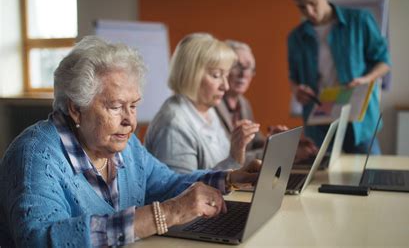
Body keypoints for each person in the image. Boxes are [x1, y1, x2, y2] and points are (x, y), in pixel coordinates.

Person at [0, 36, 260, 247]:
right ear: (76, 109)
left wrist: (228, 178)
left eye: (133, 106)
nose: (129, 122)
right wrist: (164, 215)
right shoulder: (35, 154)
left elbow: (166, 183)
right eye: (115, 107)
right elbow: (37, 239)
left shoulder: (126, 144)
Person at [284, 0, 391, 154]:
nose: (309, 12)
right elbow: (293, 77)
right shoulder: (295, 37)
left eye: (313, 3)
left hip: (358, 119)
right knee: (321, 178)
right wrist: (298, 90)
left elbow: (384, 62)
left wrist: (365, 80)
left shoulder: (360, 20)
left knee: (368, 177)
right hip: (319, 121)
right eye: (302, 7)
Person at [144, 33, 260, 173]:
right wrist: (234, 158)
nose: (225, 86)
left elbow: (221, 165)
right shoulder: (174, 124)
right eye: (216, 75)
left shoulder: (207, 110)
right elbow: (181, 190)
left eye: (226, 75)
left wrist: (238, 153)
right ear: (192, 74)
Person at [215, 40, 318, 162]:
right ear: (223, 70)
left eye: (248, 67)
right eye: (236, 65)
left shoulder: (244, 103)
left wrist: (283, 142)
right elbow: (227, 159)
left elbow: (257, 143)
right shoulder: (210, 105)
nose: (243, 74)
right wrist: (282, 152)